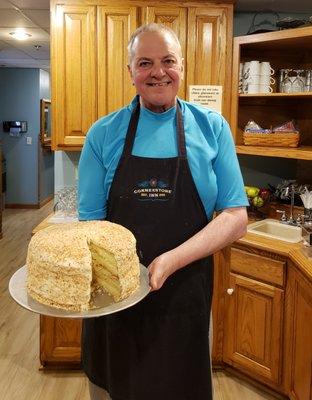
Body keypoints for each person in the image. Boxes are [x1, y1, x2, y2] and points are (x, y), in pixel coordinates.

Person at [78, 23, 249, 400]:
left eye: (168, 61)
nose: (158, 72)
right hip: (115, 297)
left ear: (182, 67)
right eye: (145, 63)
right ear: (130, 72)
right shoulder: (103, 134)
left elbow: (236, 217)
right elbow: (89, 224)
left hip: (184, 299)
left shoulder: (212, 128)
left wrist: (170, 260)